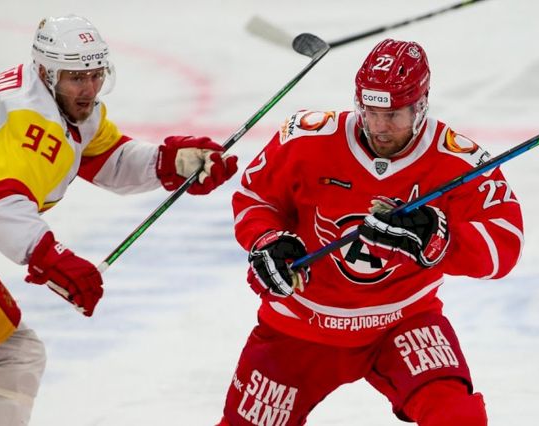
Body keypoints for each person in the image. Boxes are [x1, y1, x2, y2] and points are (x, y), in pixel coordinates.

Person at [0, 14, 237, 426]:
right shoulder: (29, 121)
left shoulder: (51, 97)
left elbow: (107, 158)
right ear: (47, 72)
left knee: (15, 357)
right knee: (14, 359)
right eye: (77, 77)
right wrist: (53, 258)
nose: (89, 89)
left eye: (96, 75)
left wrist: (172, 162)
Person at [218, 38, 523, 426]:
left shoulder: (457, 160)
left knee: (456, 417)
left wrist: (437, 236)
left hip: (403, 322)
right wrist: (267, 240)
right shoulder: (307, 139)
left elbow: (505, 245)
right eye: (370, 111)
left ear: (421, 105)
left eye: (393, 114)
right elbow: (256, 197)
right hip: (300, 324)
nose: (379, 127)